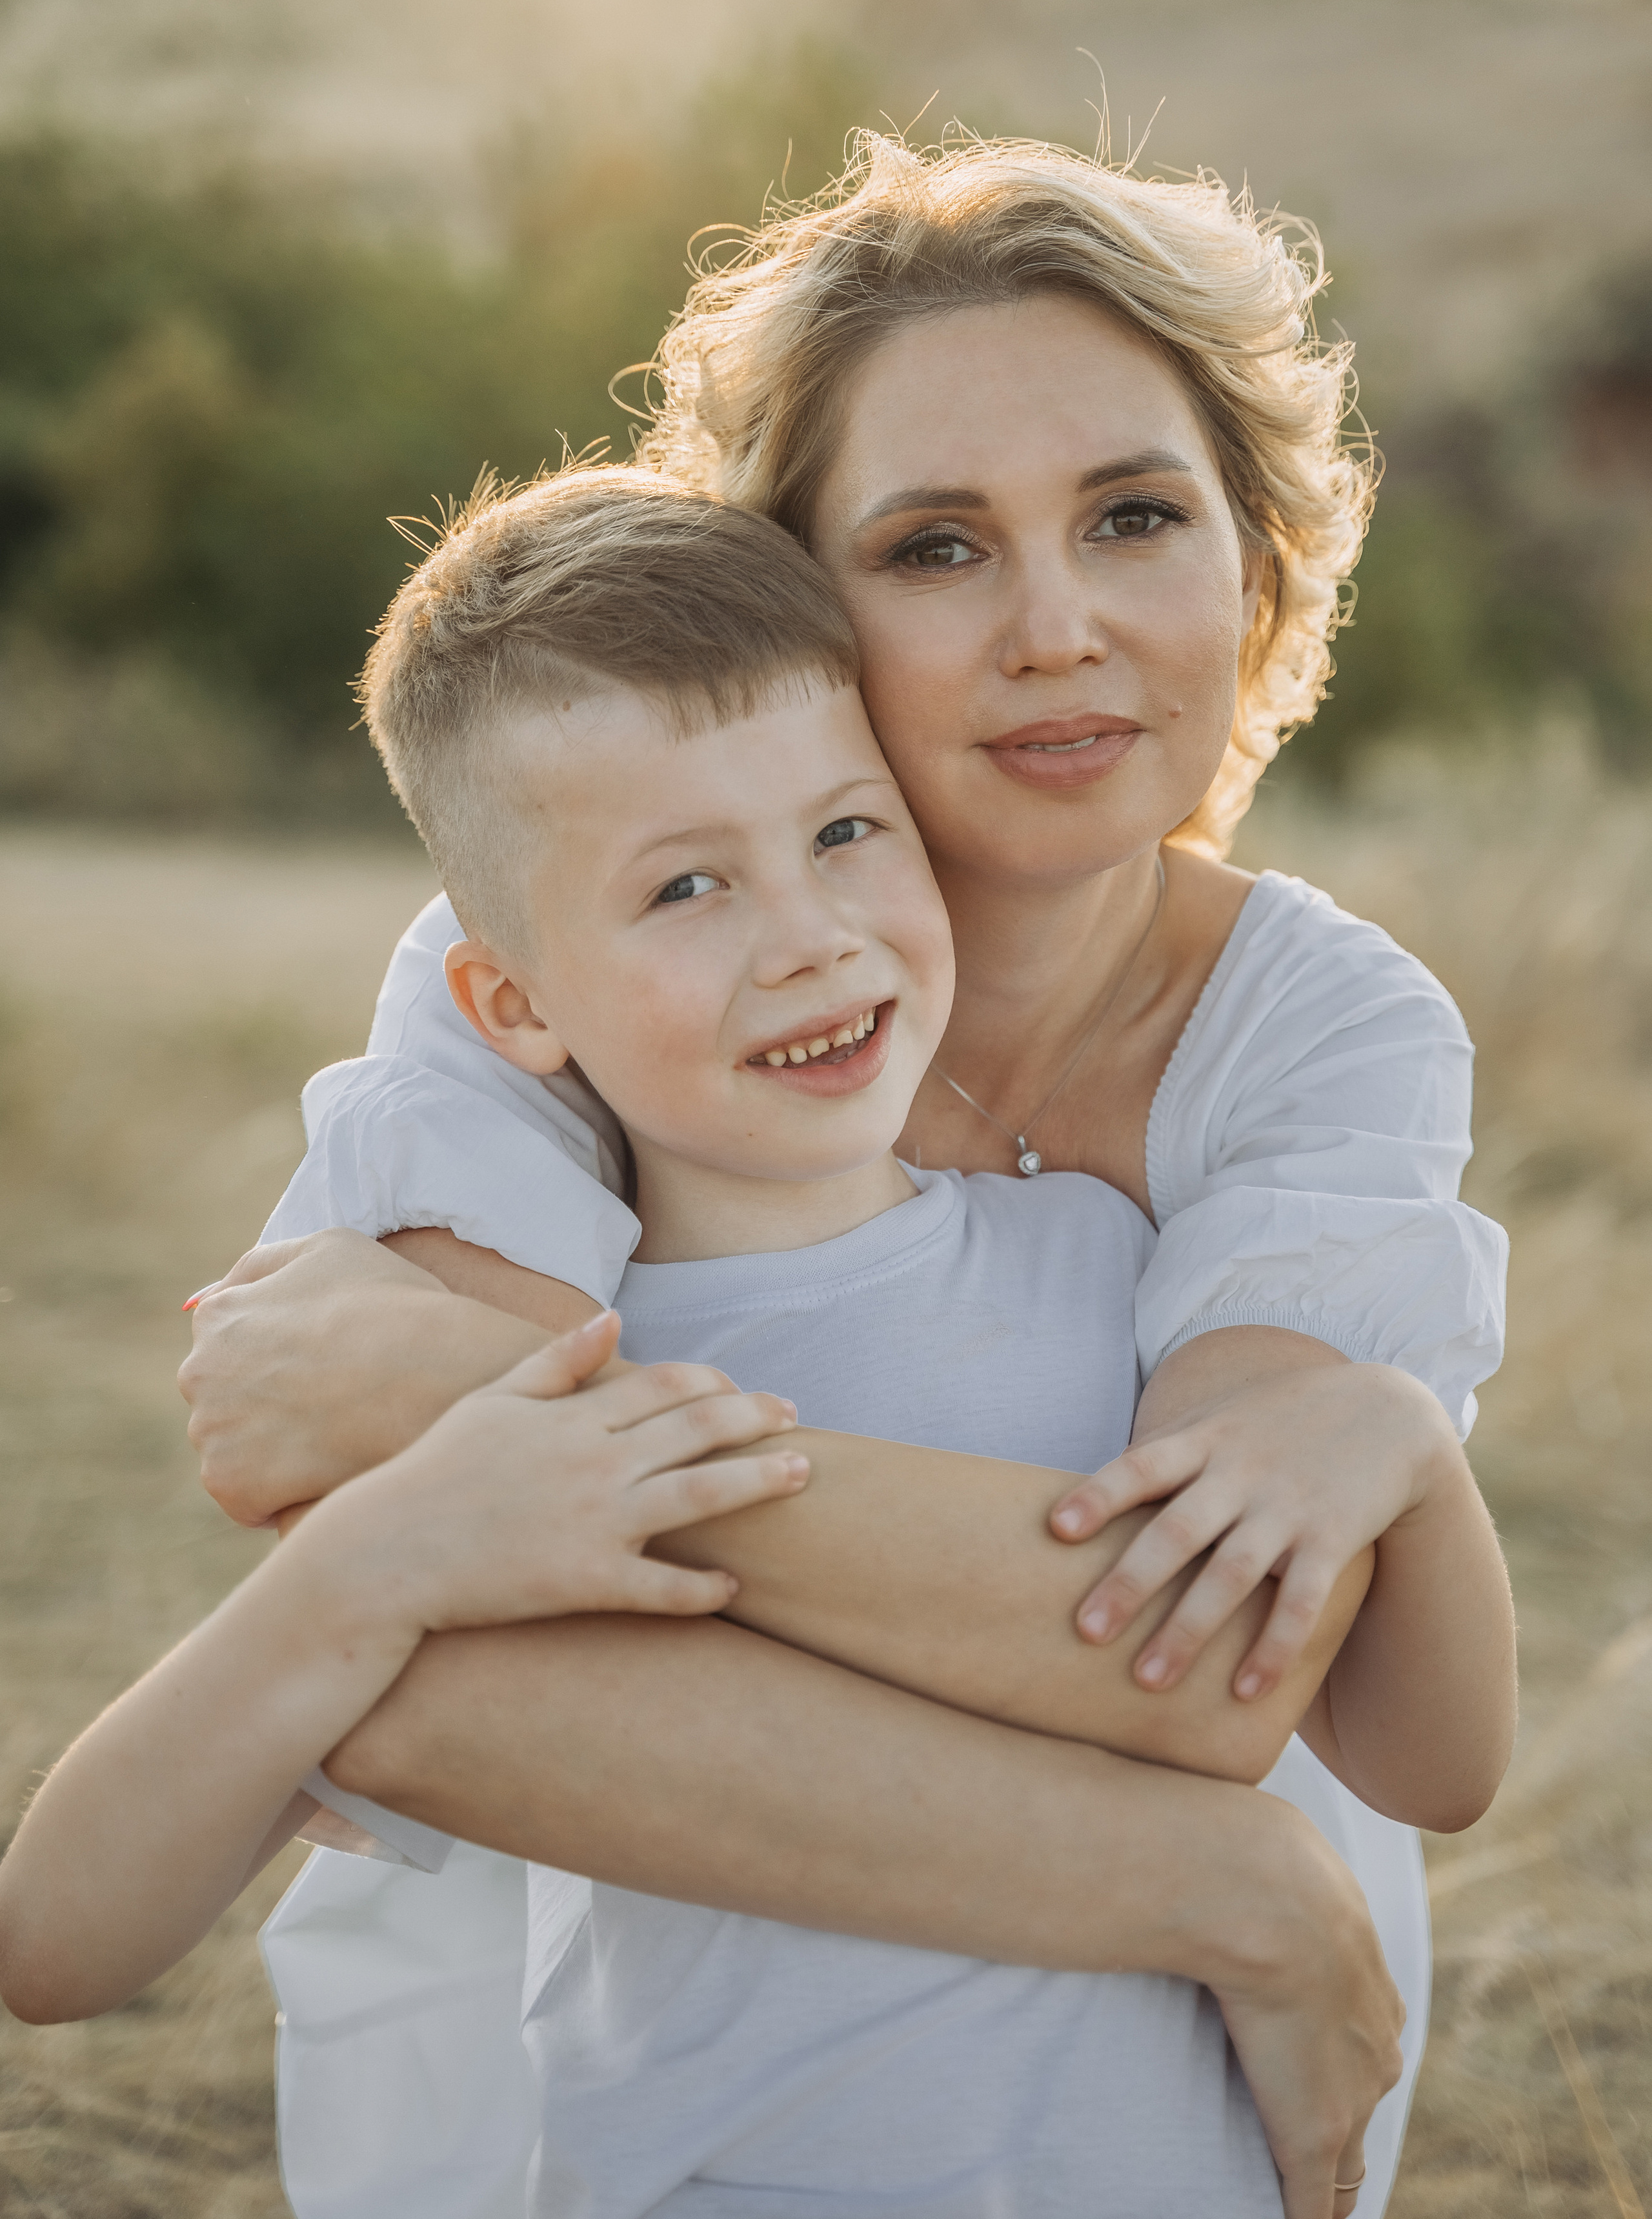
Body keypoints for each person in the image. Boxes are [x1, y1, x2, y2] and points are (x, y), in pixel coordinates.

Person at [181, 136, 1512, 2214]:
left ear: (1254, 566)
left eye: (1136, 516)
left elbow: (1193, 1655)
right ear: (796, 601)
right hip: (629, 2033)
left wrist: (475, 1405)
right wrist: (1203, 1878)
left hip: (1139, 2081)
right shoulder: (565, 983)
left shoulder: (1325, 1029)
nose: (1058, 628)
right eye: (936, 546)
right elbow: (431, 1691)